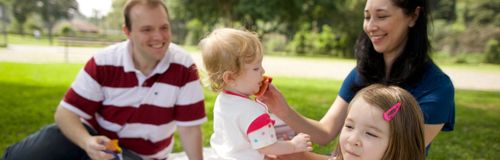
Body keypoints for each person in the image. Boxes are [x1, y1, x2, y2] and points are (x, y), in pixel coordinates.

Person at [2, 0, 206, 159]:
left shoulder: (184, 68)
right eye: (147, 29)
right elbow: (65, 113)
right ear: (127, 31)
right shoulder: (103, 62)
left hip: (138, 156)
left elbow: (189, 129)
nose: (159, 37)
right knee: (25, 155)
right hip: (90, 139)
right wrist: (87, 142)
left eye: (164, 27)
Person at [259, 0, 455, 158]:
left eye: (382, 16)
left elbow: (398, 153)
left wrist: (302, 157)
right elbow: (325, 132)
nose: (370, 26)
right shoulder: (362, 72)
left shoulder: (436, 87)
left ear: (413, 16)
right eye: (367, 17)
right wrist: (281, 110)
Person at [199, 28, 313, 160]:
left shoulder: (222, 100)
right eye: (256, 68)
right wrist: (293, 145)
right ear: (230, 78)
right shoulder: (253, 111)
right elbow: (267, 147)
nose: (263, 71)